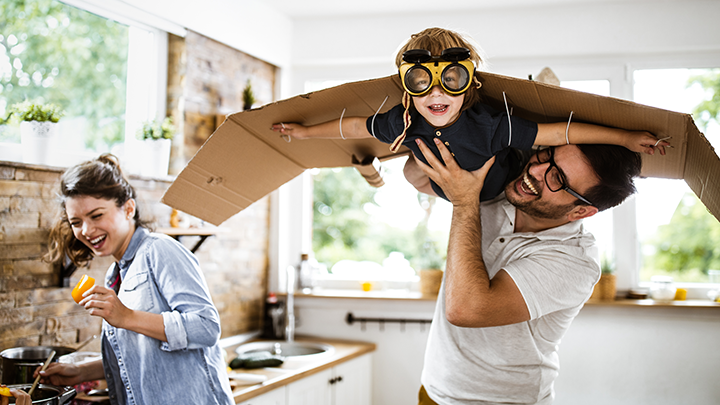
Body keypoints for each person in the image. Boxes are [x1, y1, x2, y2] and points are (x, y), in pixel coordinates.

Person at [271, 27, 667, 202]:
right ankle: (389, 176)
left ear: (470, 85)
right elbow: (355, 124)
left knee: (523, 149)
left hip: (496, 191)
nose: (437, 93)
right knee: (410, 171)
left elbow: (560, 133)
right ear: (409, 84)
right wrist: (305, 133)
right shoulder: (405, 119)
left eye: (453, 78)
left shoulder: (492, 126)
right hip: (442, 189)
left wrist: (625, 138)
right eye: (423, 80)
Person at [412, 138, 643, 404]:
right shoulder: (504, 188)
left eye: (556, 178)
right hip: (433, 389)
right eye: (546, 156)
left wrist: (465, 201)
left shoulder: (575, 262)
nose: (535, 171)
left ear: (580, 211)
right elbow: (415, 174)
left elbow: (465, 309)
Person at [40, 154, 234, 405]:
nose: (86, 230)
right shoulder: (117, 274)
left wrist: (127, 316)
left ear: (128, 209)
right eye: (76, 222)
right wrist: (81, 372)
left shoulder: (160, 250)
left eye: (96, 215)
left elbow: (206, 328)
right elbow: (140, 355)